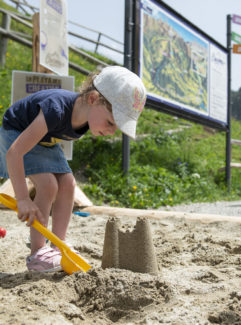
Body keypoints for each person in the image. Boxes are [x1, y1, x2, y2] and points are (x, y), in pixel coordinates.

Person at [0, 66, 147, 272]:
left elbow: (49, 143)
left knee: (68, 184)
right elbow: (14, 153)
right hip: (15, 133)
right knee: (48, 185)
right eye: (110, 122)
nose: (111, 131)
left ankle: (57, 246)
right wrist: (23, 198)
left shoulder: (86, 119)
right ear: (93, 99)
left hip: (44, 141)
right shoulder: (56, 109)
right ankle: (37, 254)